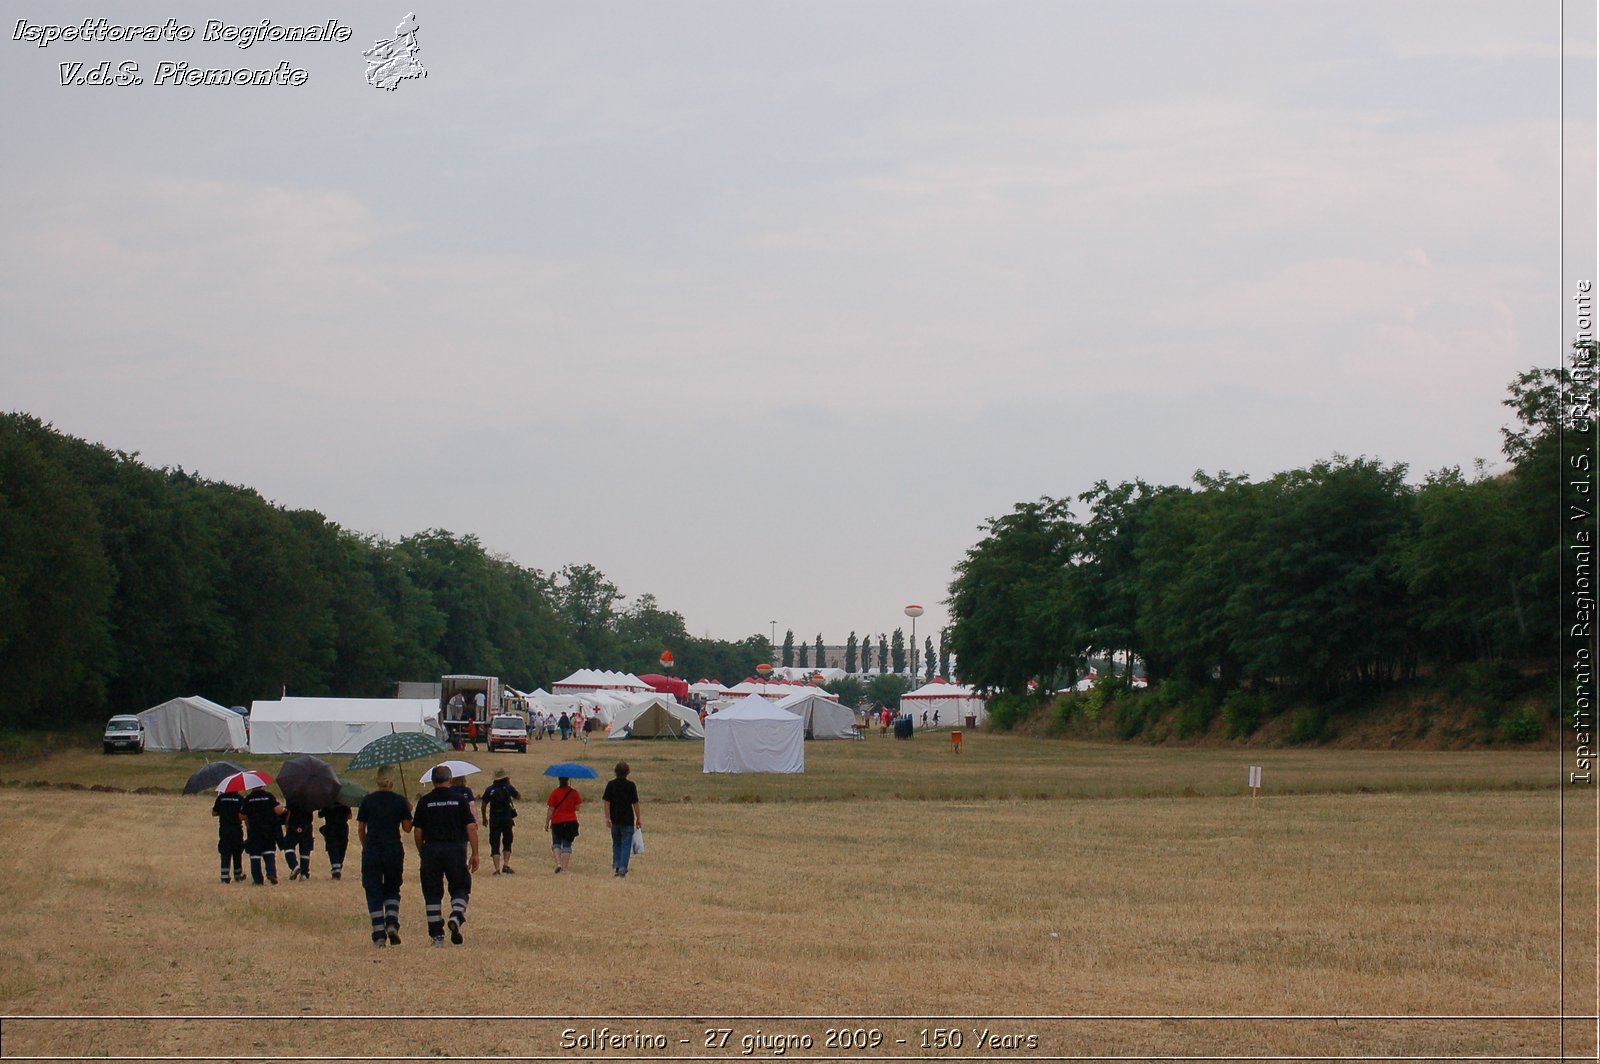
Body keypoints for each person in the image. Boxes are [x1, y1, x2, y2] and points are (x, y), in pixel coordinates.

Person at [412, 765, 479, 947]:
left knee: (432, 892)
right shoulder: (459, 800)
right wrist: (475, 853)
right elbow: (471, 827)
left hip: (431, 849)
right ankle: (456, 916)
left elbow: (417, 831)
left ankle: (437, 937)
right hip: (456, 850)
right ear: (450, 780)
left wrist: (422, 851)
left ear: (433, 781)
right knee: (460, 886)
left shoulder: (425, 801)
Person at [357, 772, 413, 948]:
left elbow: (361, 828)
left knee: (373, 890)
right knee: (392, 888)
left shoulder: (368, 800)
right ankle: (391, 921)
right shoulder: (399, 801)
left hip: (373, 849)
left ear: (377, 781)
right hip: (393, 849)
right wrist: (408, 810)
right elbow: (407, 828)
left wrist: (366, 845)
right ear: (392, 782)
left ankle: (379, 934)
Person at [601, 762, 642, 878]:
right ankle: (623, 868)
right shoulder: (631, 785)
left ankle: (617, 865)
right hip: (628, 819)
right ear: (627, 772)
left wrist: (607, 817)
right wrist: (638, 818)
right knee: (626, 844)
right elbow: (635, 803)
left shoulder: (611, 785)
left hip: (615, 819)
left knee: (616, 844)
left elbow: (607, 802)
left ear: (615, 772)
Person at [242, 784, 286, 886]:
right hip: (268, 831)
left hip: (254, 832)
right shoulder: (269, 796)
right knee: (269, 853)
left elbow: (242, 816)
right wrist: (285, 810)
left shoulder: (248, 799)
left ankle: (258, 880)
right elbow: (278, 811)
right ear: (262, 785)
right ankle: (271, 874)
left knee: (255, 856)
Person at [481, 768, 521, 875]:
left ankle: (497, 868)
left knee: (494, 842)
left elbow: (483, 804)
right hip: (507, 818)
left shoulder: (490, 789)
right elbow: (518, 796)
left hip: (494, 819)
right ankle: (506, 865)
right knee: (507, 841)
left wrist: (484, 817)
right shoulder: (508, 787)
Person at [544, 775, 582, 873]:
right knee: (567, 845)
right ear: (568, 780)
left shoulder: (555, 793)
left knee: (556, 843)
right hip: (570, 821)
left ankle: (558, 864)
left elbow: (551, 809)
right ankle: (564, 868)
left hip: (557, 821)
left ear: (559, 780)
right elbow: (577, 807)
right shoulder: (574, 792)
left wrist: (547, 822)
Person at [212, 787, 246, 884]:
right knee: (237, 851)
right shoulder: (240, 799)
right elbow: (242, 815)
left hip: (224, 829)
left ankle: (225, 876)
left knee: (225, 851)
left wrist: (223, 811)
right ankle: (238, 874)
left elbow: (214, 813)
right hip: (236, 829)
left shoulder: (221, 798)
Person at [282, 800, 315, 880]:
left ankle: (294, 866)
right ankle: (304, 874)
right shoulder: (310, 799)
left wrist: (286, 823)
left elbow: (288, 813)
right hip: (306, 827)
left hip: (293, 826)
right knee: (305, 851)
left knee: (288, 847)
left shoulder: (292, 797)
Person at [318, 801, 352, 880]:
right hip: (343, 828)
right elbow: (350, 816)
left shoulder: (326, 802)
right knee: (342, 847)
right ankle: (338, 865)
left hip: (330, 827)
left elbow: (320, 815)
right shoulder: (344, 803)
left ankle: (336, 867)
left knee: (332, 847)